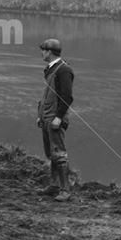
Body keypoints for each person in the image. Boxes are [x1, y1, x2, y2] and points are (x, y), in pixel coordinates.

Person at [36, 38, 75, 202]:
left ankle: (65, 190)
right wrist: (41, 115)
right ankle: (54, 185)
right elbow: (47, 96)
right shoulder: (51, 69)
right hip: (47, 117)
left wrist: (58, 117)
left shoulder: (64, 70)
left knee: (59, 154)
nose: (42, 53)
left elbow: (67, 97)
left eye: (43, 50)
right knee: (51, 153)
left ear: (49, 52)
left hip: (55, 118)